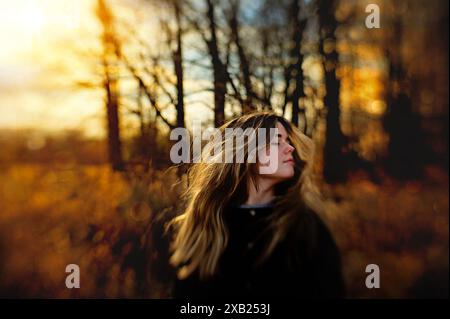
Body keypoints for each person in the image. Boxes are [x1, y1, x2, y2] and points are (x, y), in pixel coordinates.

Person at [167, 112, 344, 298]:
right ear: (245, 152)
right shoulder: (208, 224)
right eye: (277, 141)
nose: (290, 148)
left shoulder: (306, 226)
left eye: (288, 140)